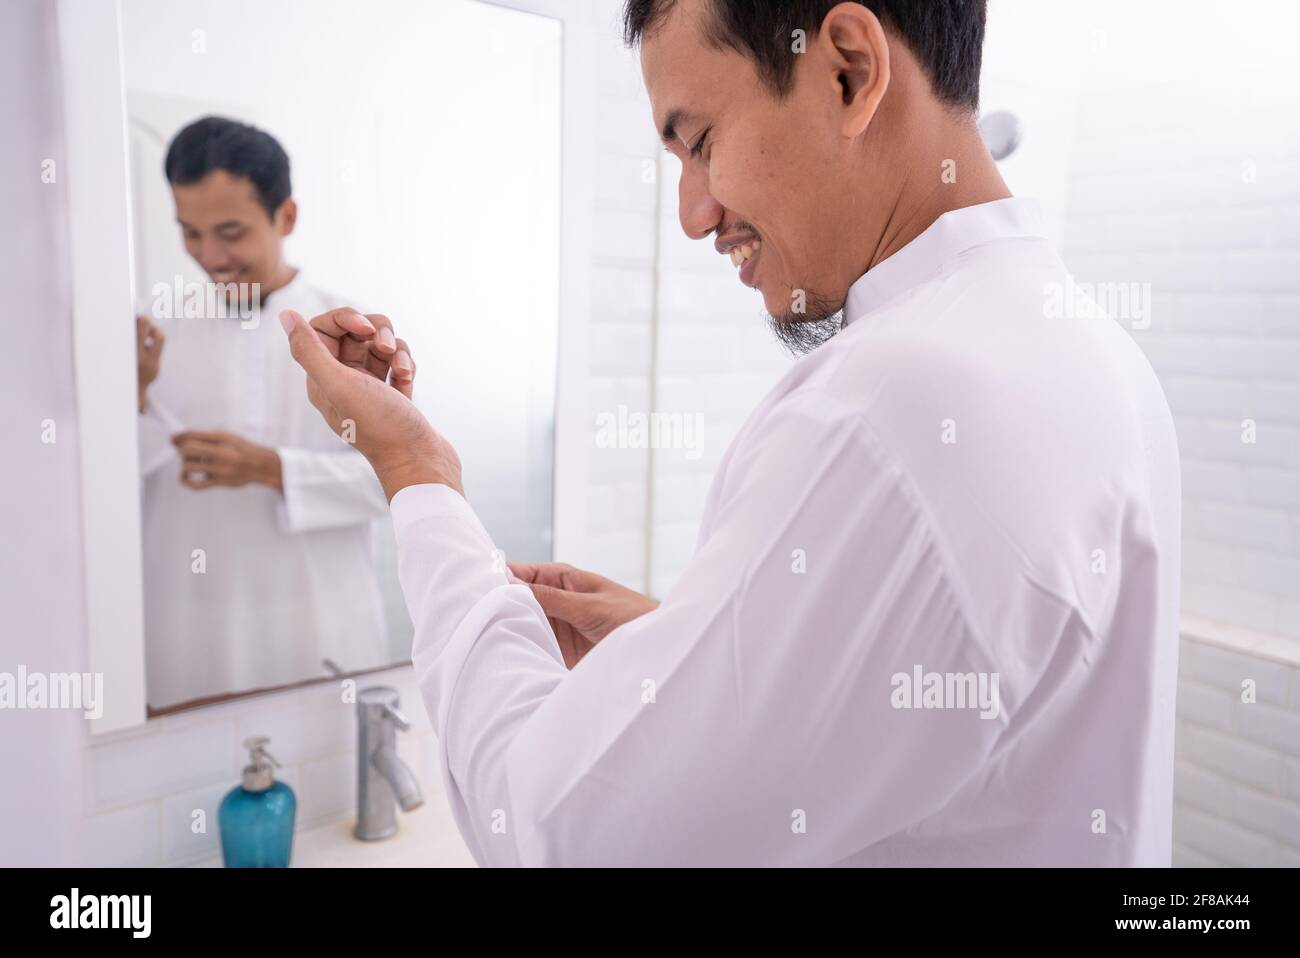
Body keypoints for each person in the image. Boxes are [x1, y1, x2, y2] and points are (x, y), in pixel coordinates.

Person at [281, 0, 1180, 866]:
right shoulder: (1094, 351)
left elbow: (556, 839)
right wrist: (698, 651)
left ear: (847, 71)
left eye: (701, 142)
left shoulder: (891, 404)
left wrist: (415, 469)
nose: (694, 213)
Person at [137, 116, 406, 708]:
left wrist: (274, 469)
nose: (210, 256)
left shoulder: (353, 332)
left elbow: (399, 480)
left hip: (314, 628)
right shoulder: (155, 335)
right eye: (190, 233)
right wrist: (130, 400)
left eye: (229, 232)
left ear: (285, 217)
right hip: (186, 634)